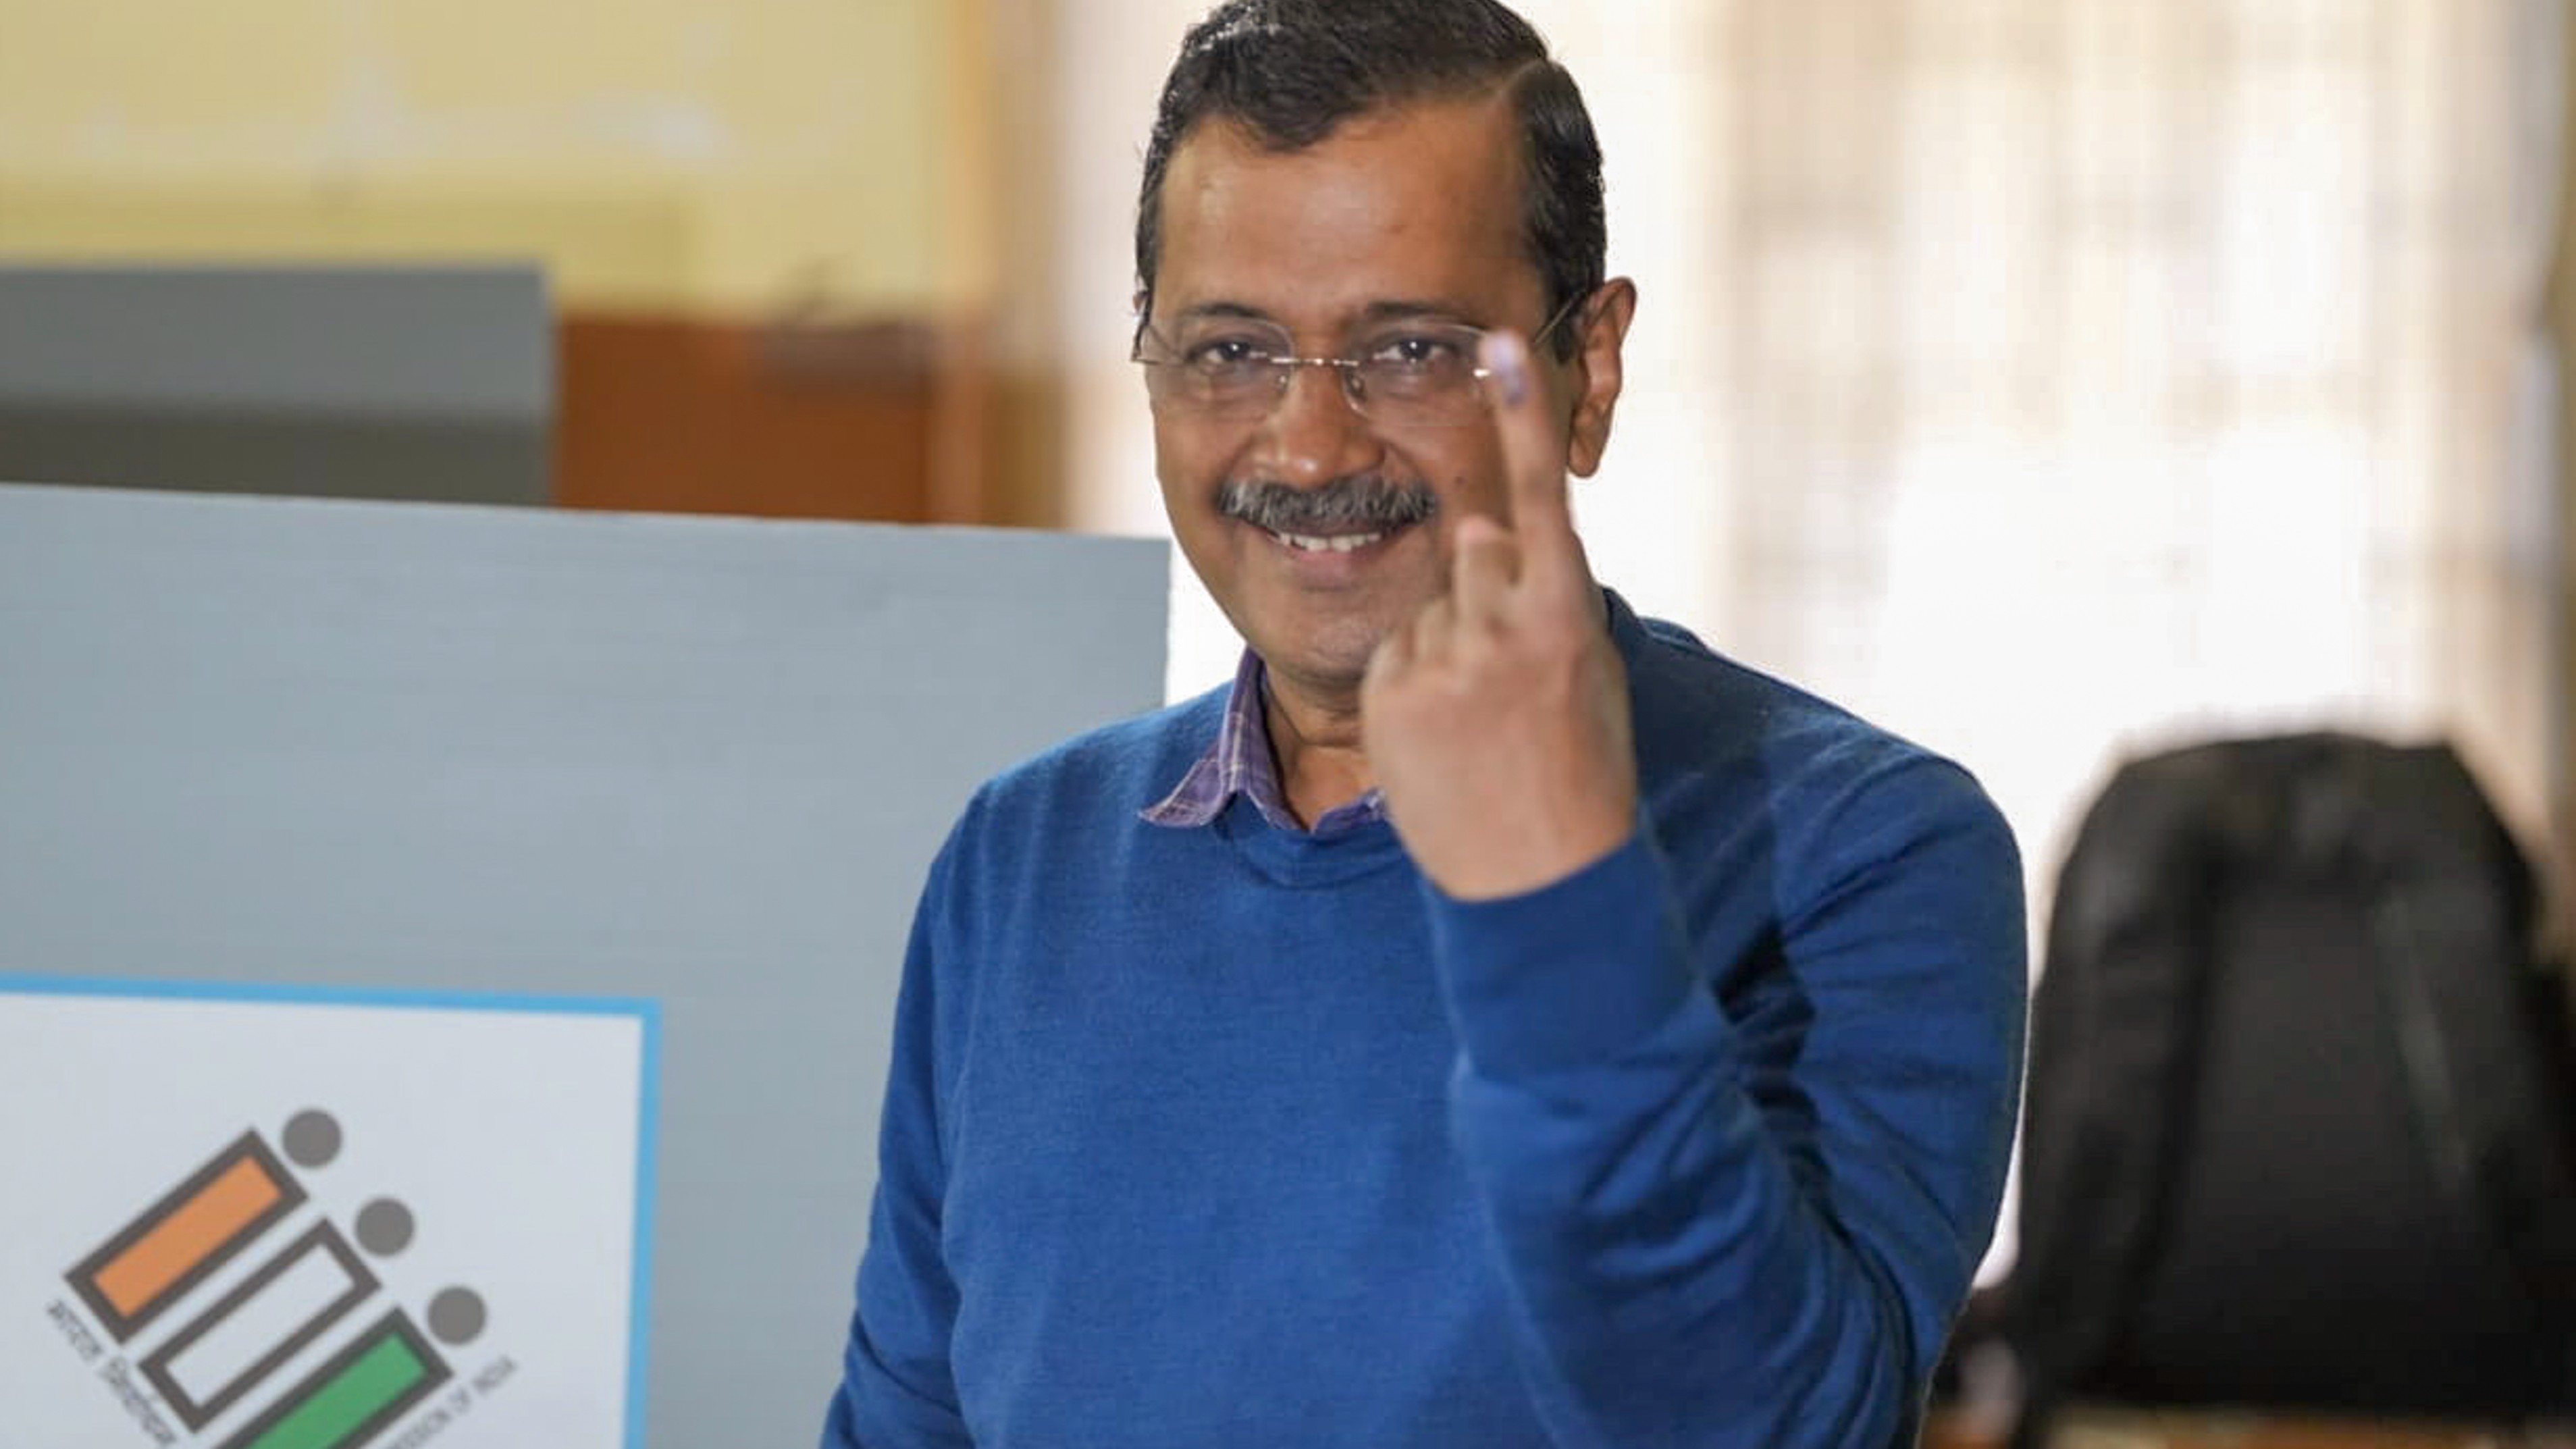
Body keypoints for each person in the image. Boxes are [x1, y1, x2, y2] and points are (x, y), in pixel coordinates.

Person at [821, 3, 2027, 1446]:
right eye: (1231, 350)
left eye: (1411, 352)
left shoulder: (1867, 851)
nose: (1313, 445)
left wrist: (1557, 889)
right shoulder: (1022, 861)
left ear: (1590, 370)